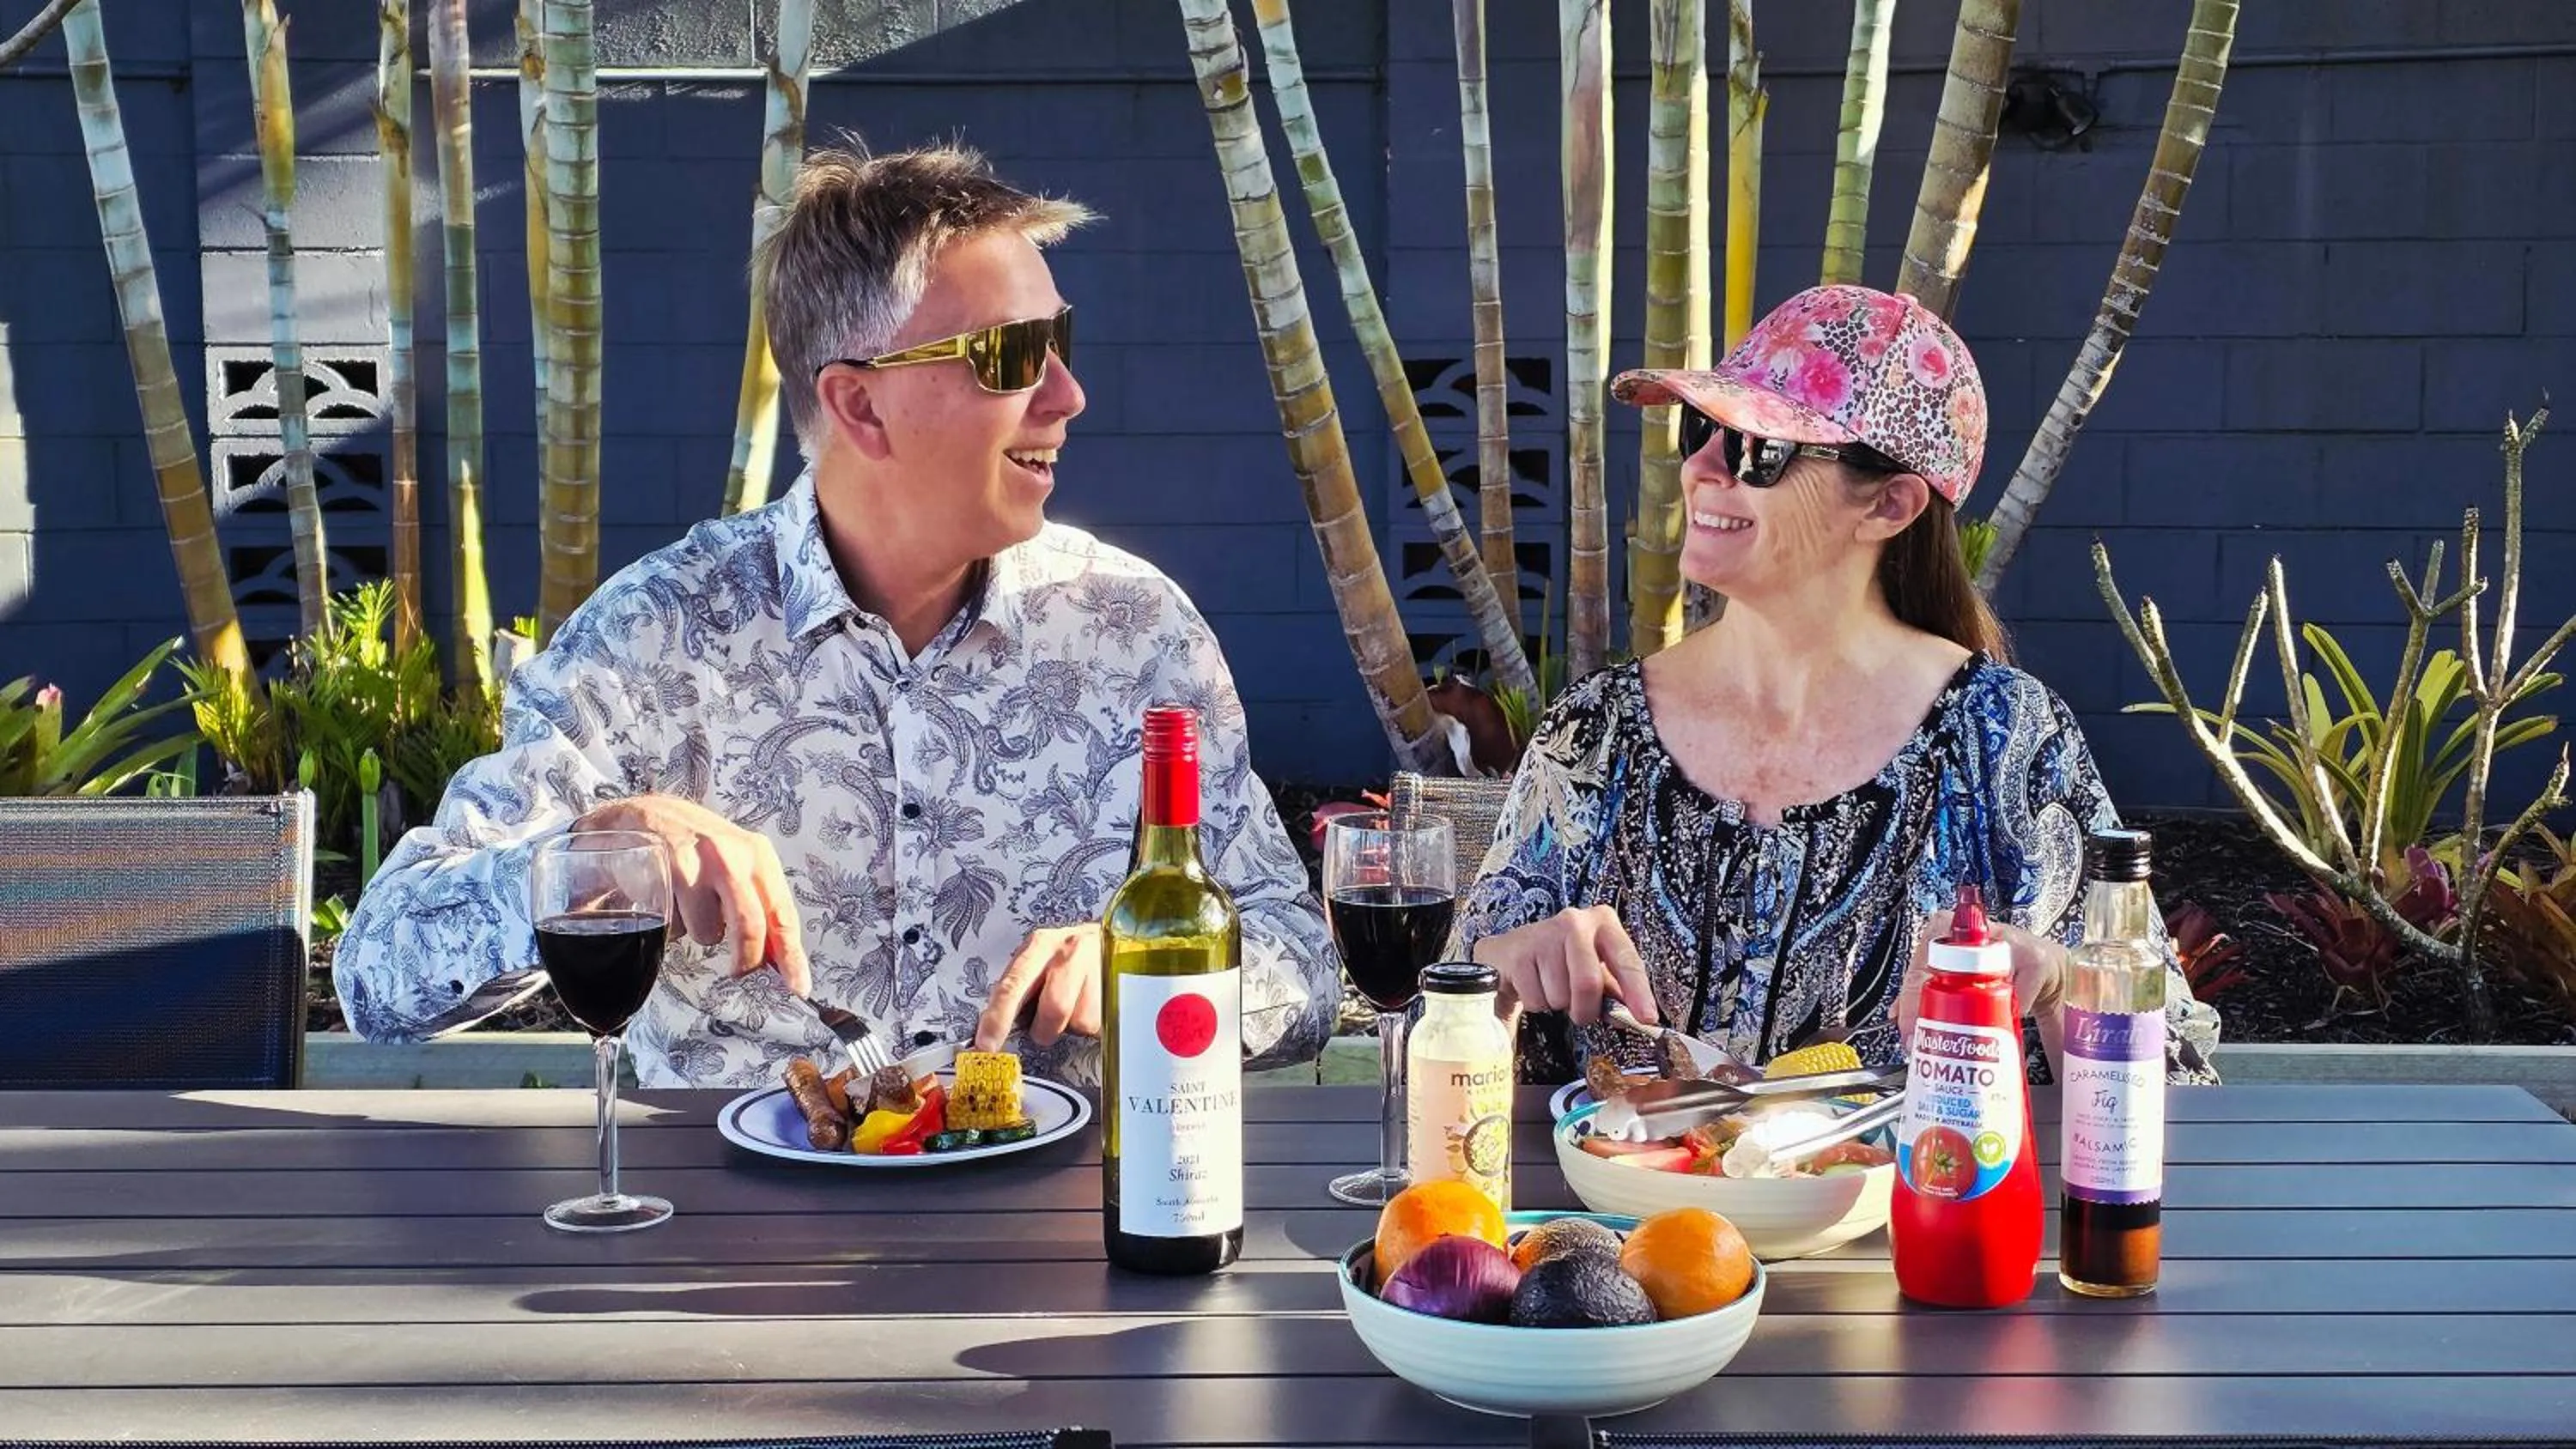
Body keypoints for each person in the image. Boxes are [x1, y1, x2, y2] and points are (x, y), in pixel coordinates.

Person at [336, 142, 1338, 1087]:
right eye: (1012, 355)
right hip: (721, 1248)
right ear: (859, 405)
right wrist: (600, 851)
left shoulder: (1136, 634)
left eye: (1059, 341)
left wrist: (1158, 973)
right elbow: (378, 977)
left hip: (1061, 1235)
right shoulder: (652, 639)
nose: (1067, 394)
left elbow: (1303, 969)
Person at [1455, 284, 2220, 1085]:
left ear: (1890, 505)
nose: (1704, 469)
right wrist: (1497, 973)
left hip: (1912, 1208)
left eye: (1760, 451)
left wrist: (2060, 981)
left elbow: (2172, 1076)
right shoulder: (1595, 733)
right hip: (1629, 1212)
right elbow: (1432, 1048)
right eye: (1702, 431)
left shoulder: (2005, 738)